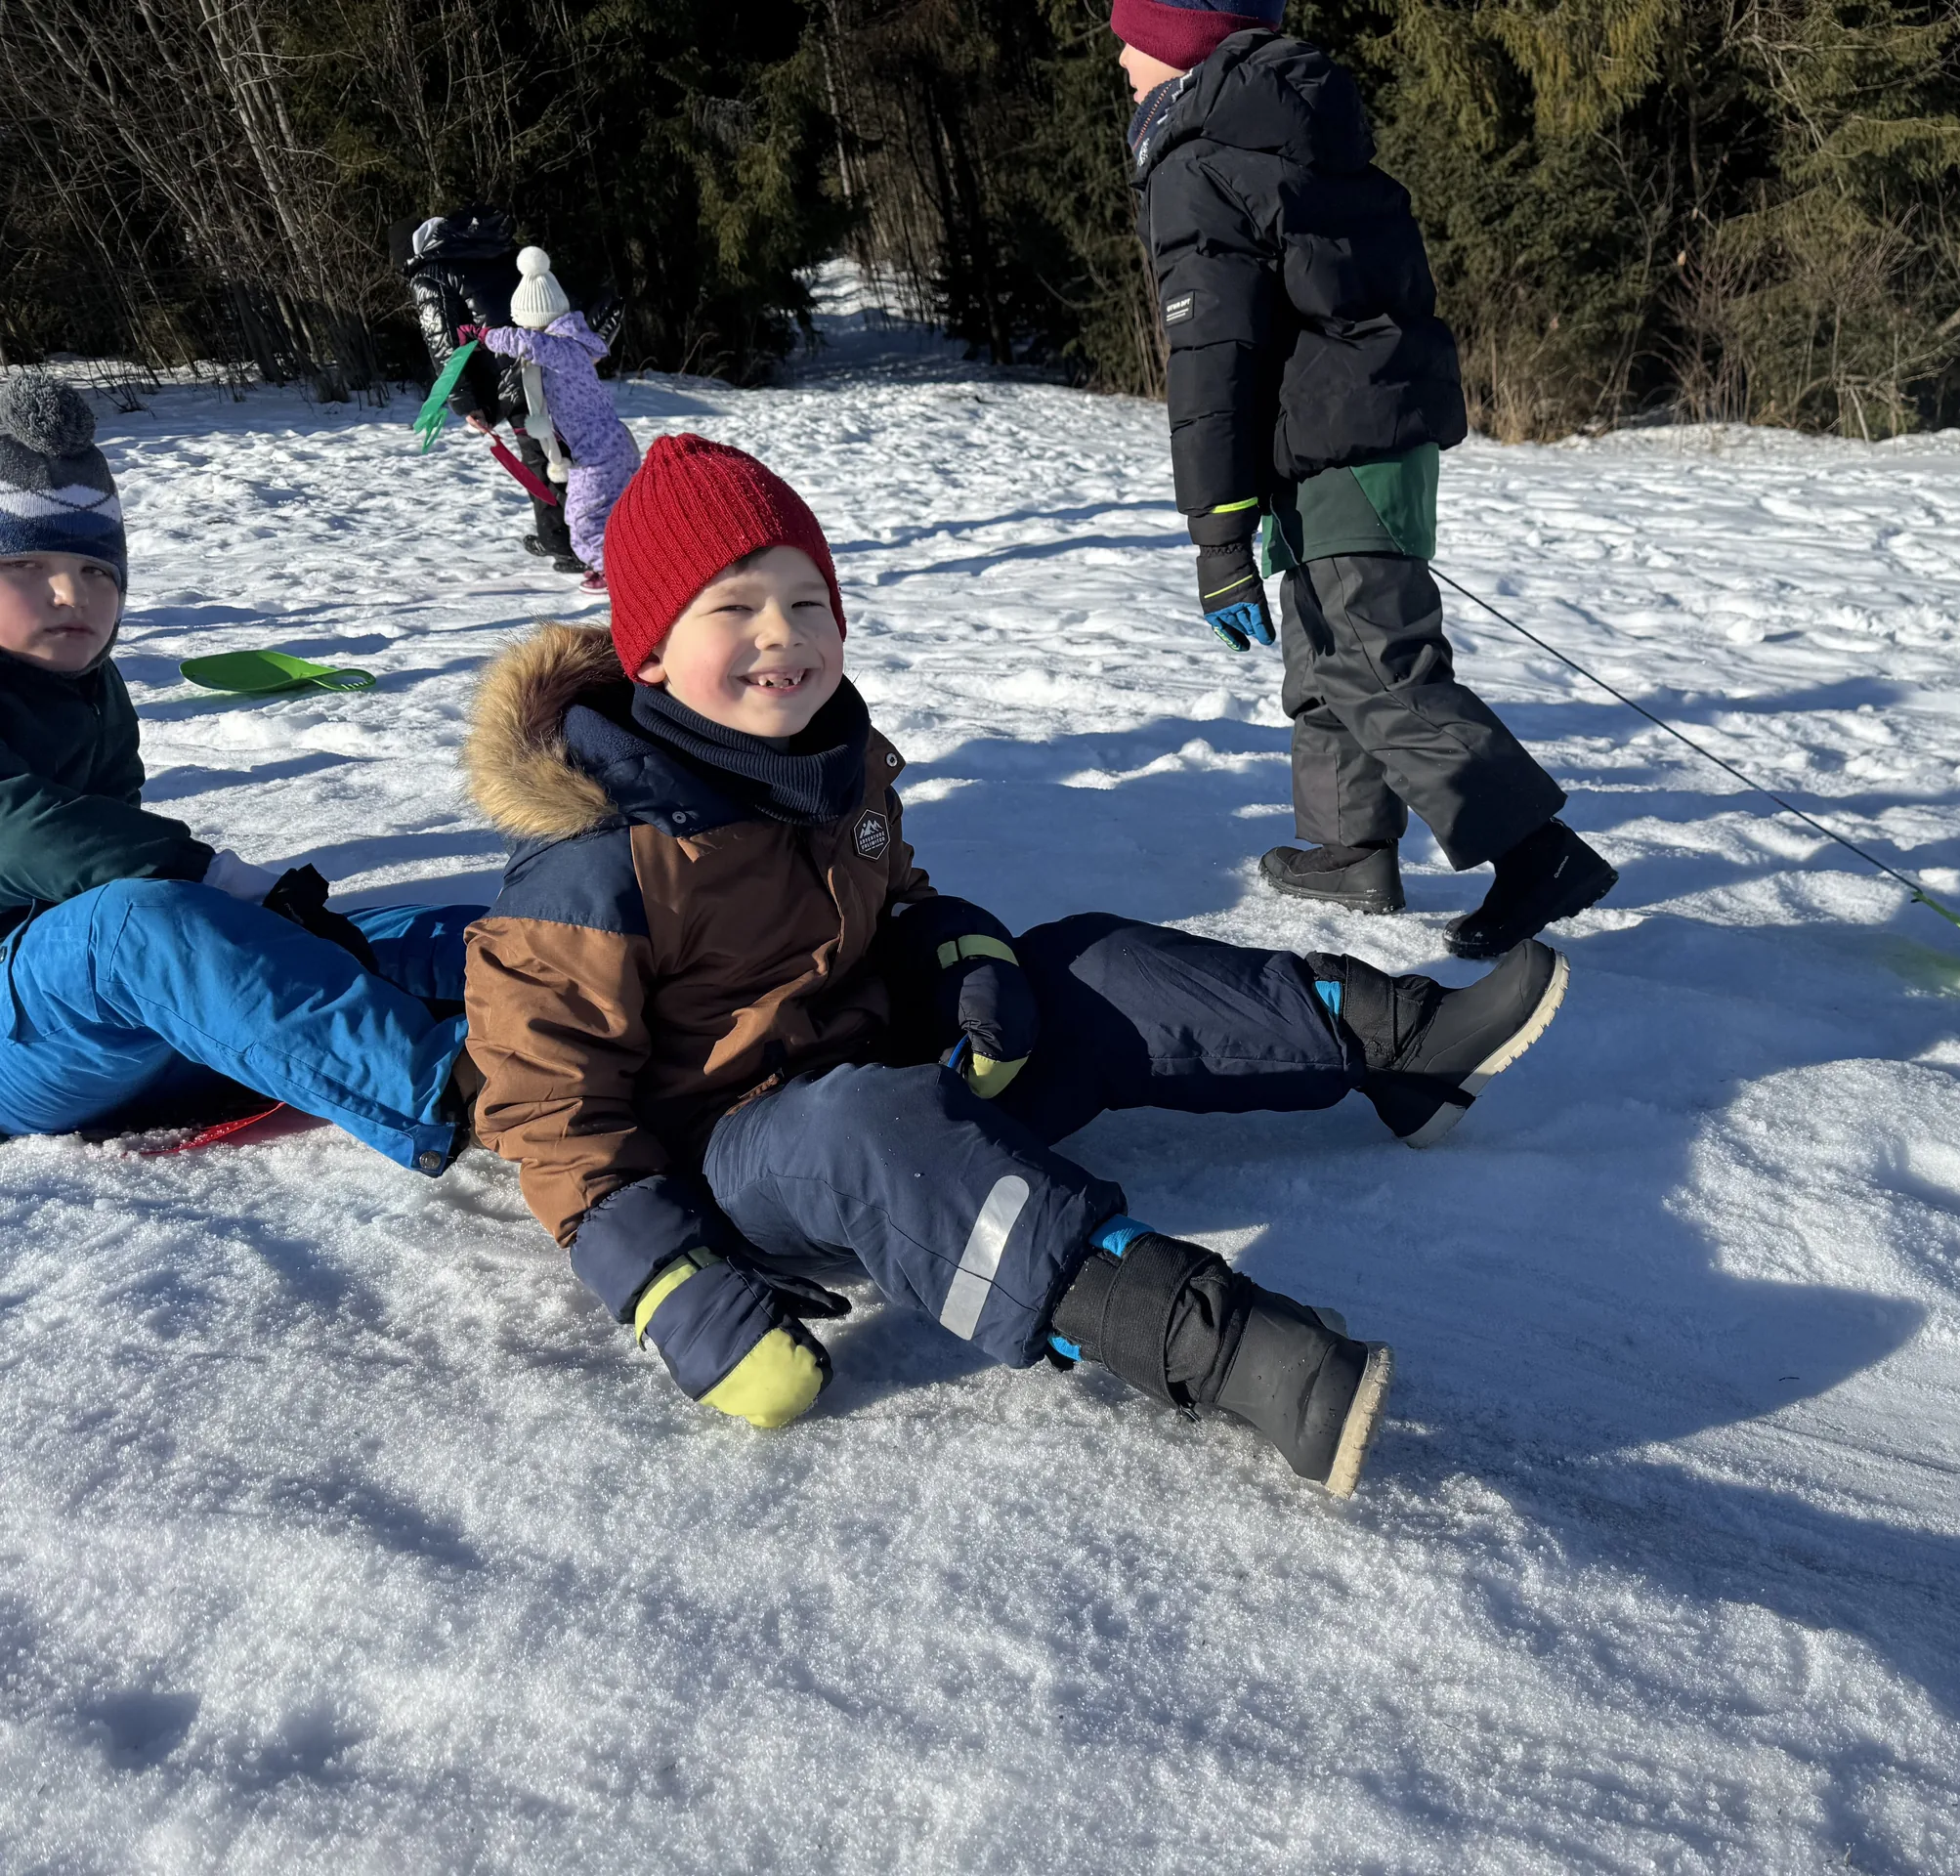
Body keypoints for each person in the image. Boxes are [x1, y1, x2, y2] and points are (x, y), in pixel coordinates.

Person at [460, 436, 1570, 1495]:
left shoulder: (824, 765)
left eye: (808, 604)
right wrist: (671, 1288)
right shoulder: (593, 860)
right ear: (649, 648)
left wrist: (963, 957)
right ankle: (1218, 1345)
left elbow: (901, 901)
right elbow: (550, 1113)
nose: (782, 635)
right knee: (864, 1129)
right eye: (734, 609)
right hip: (736, 1163)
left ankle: (1397, 1042)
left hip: (890, 1077)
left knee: (1075, 959)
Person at [1114, 4, 1620, 959]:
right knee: (1323, 648)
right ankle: (1348, 850)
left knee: (1371, 660)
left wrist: (1217, 540)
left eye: (1134, 39)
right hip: (1365, 432)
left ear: (1183, 45)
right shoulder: (1300, 135)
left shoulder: (1200, 158)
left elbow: (1212, 358)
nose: (1122, 61)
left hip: (1334, 439)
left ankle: (1534, 851)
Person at [0, 372, 479, 1167]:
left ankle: (619, 979)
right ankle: (470, 1087)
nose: (69, 594)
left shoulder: (92, 687)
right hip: (24, 1043)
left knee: (349, 939)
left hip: (122, 1036)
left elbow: (116, 848)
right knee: (138, 928)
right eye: (26, 567)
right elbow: (24, 834)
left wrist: (248, 913)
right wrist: (210, 877)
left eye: (96, 572)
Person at [403, 207, 579, 575]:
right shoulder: (494, 250)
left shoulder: (431, 275)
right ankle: (575, 534)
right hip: (557, 360)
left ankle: (568, 544)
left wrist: (466, 401)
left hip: (515, 379)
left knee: (543, 460)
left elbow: (444, 344)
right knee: (569, 450)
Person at [481, 248, 641, 593]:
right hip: (611, 446)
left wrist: (486, 336)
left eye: (524, 321)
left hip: (598, 454)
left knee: (582, 520)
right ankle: (625, 563)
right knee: (613, 515)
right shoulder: (574, 341)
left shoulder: (560, 347)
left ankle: (618, 576)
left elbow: (527, 343)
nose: (524, 329)